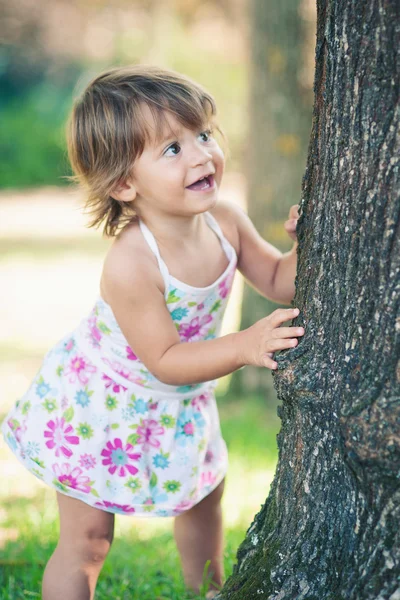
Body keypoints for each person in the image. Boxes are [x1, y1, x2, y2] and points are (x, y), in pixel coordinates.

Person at [1, 65, 304, 600]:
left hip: (180, 402)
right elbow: (164, 356)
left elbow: (280, 279)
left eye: (204, 135)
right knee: (89, 541)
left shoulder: (226, 222)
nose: (201, 155)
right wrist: (245, 346)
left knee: (204, 499)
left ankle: (209, 590)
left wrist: (311, 241)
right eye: (172, 149)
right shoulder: (133, 263)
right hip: (101, 406)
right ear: (123, 183)